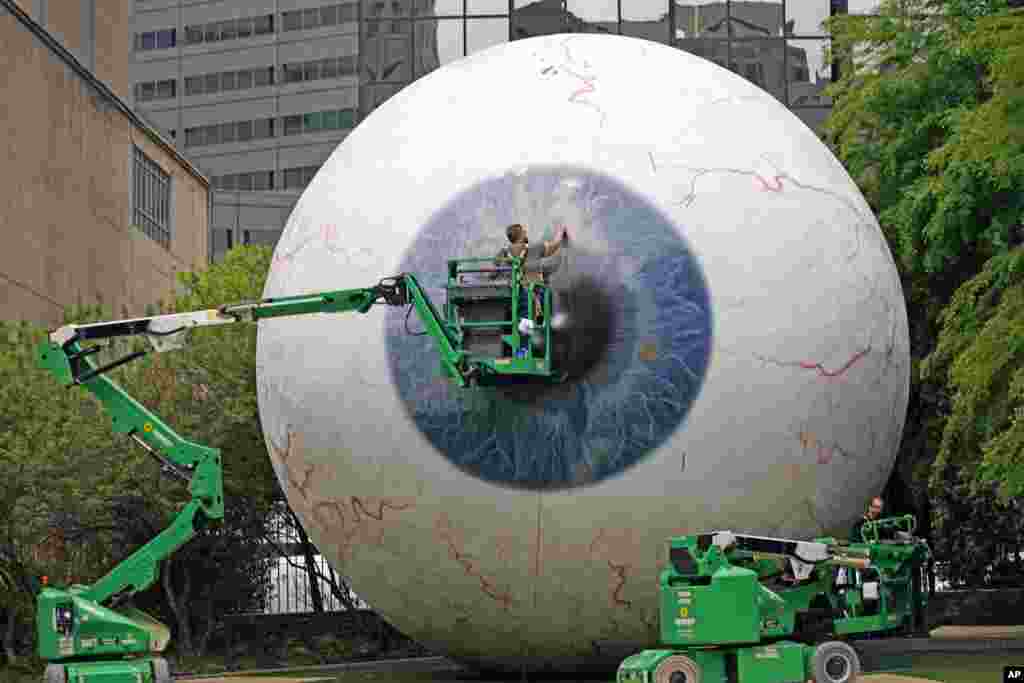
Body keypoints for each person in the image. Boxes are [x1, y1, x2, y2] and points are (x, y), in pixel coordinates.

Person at [495, 223, 567, 353]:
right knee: (532, 315)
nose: (526, 232)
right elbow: (554, 247)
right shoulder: (535, 249)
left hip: (513, 295)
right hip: (533, 294)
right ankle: (527, 347)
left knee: (523, 319)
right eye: (524, 231)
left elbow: (493, 271)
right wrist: (560, 233)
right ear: (521, 235)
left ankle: (524, 345)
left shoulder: (503, 252)